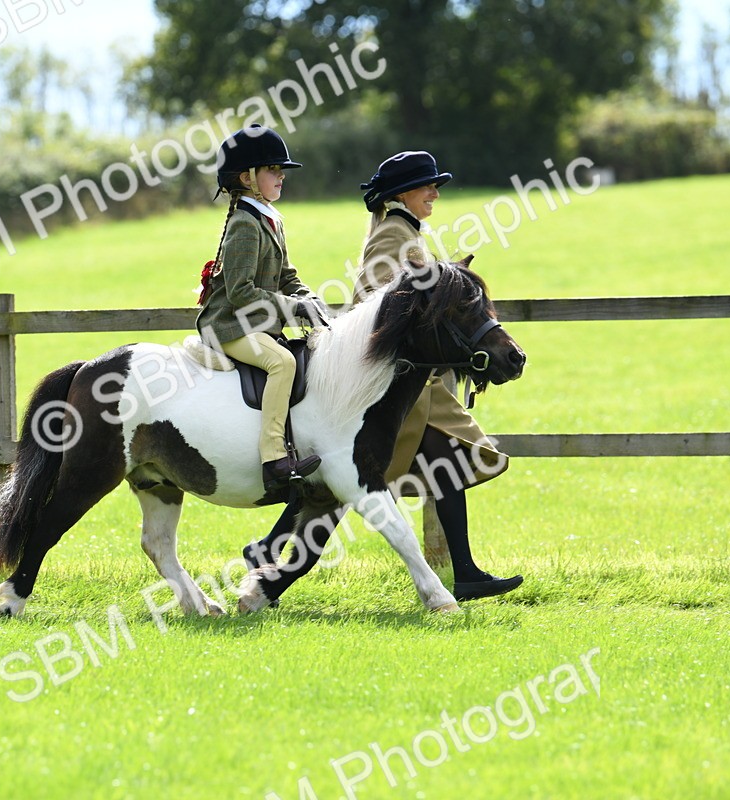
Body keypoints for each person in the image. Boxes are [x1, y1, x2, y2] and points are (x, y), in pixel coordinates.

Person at [249, 150, 523, 601]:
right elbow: (374, 302)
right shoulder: (394, 234)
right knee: (350, 477)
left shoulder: (405, 230)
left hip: (417, 388)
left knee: (443, 463)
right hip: (395, 387)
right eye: (427, 186)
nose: (435, 193)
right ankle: (270, 556)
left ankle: (466, 573)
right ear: (401, 194)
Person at [196, 125, 327, 492]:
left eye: (280, 170)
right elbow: (240, 292)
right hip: (227, 326)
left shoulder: (269, 218)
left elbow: (286, 274)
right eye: (273, 170)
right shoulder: (244, 224)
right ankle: (274, 457)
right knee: (281, 362)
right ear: (247, 178)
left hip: (255, 324)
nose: (281, 176)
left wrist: (310, 300)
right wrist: (294, 307)